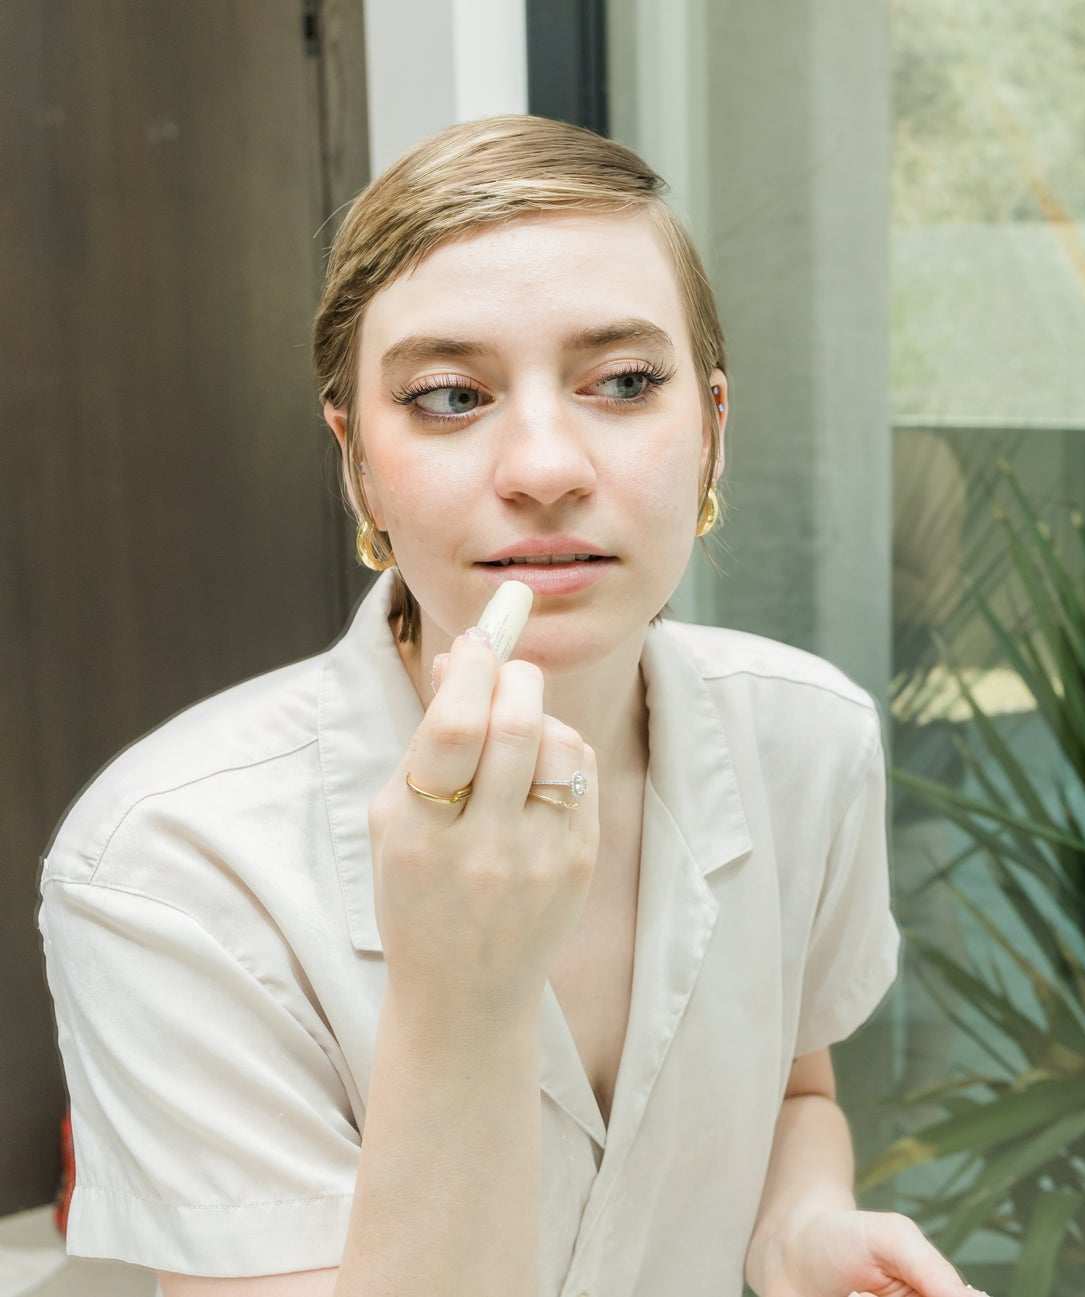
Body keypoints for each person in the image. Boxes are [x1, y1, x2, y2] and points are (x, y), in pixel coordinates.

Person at [38, 115, 981, 1297]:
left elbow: (797, 1086)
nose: (543, 466)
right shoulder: (166, 860)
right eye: (447, 396)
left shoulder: (807, 739)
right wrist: (461, 992)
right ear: (357, 465)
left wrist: (796, 1221)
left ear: (712, 434)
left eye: (626, 382)